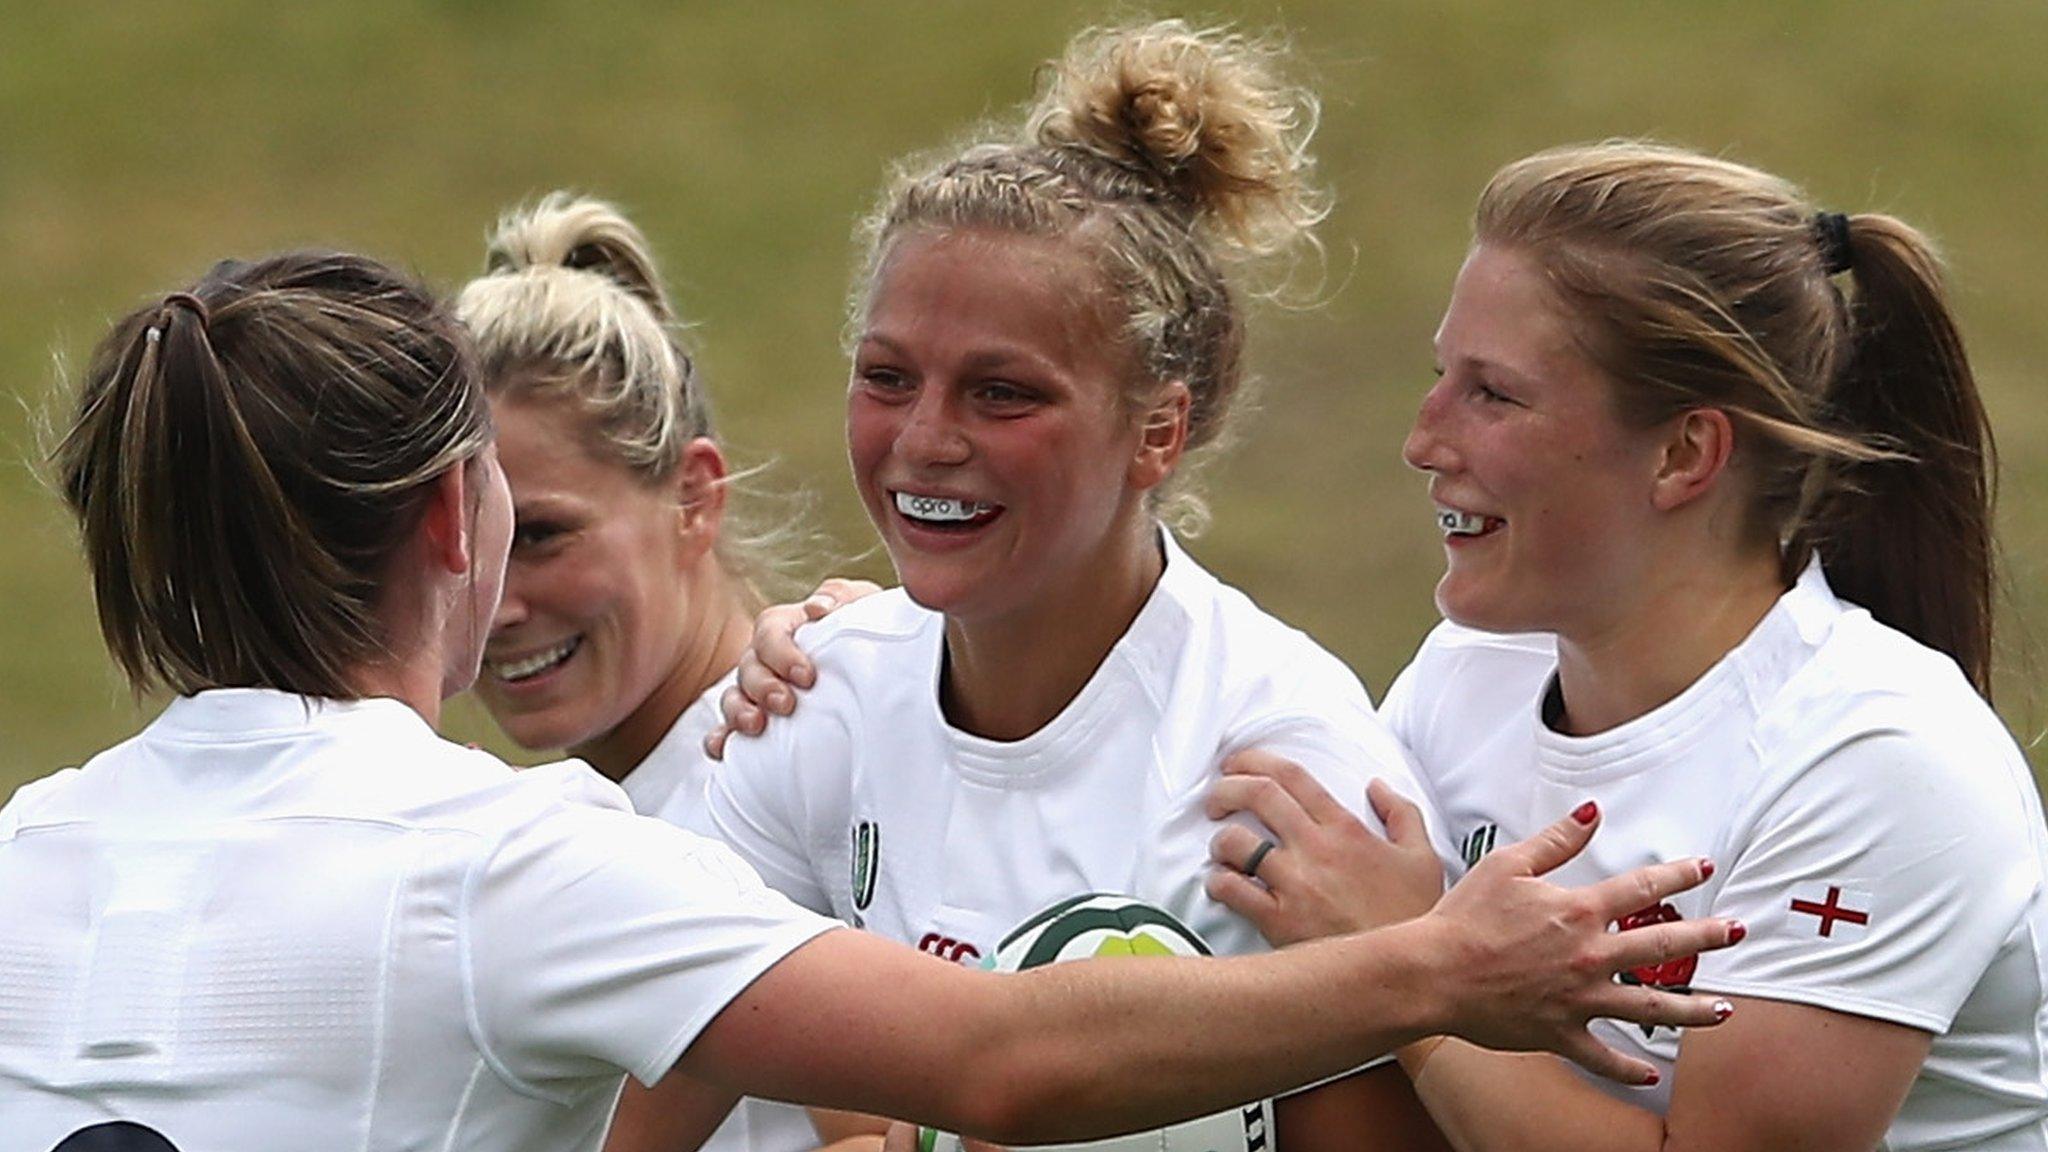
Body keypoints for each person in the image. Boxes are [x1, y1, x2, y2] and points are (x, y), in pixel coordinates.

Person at [0, 247, 1738, 1152]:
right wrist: (1435, 962)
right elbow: (991, 1058)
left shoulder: (31, 851)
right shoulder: (505, 858)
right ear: (455, 519)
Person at [688, 19, 1461, 1150]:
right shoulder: (813, 700)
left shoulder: (1287, 771)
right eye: (887, 378)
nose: (924, 440)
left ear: (1157, 431)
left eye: (1000, 393)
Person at [1197, 141, 2048, 1151]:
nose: (1422, 441)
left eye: (1492, 395)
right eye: (1440, 378)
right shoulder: (1470, 674)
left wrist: (1402, 966)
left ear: (1685, 453)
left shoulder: (1878, 762)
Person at [453, 195, 870, 1152]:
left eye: (543, 537)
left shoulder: (811, 738)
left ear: (694, 497)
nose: (499, 607)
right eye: (466, 552)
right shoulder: (544, 830)